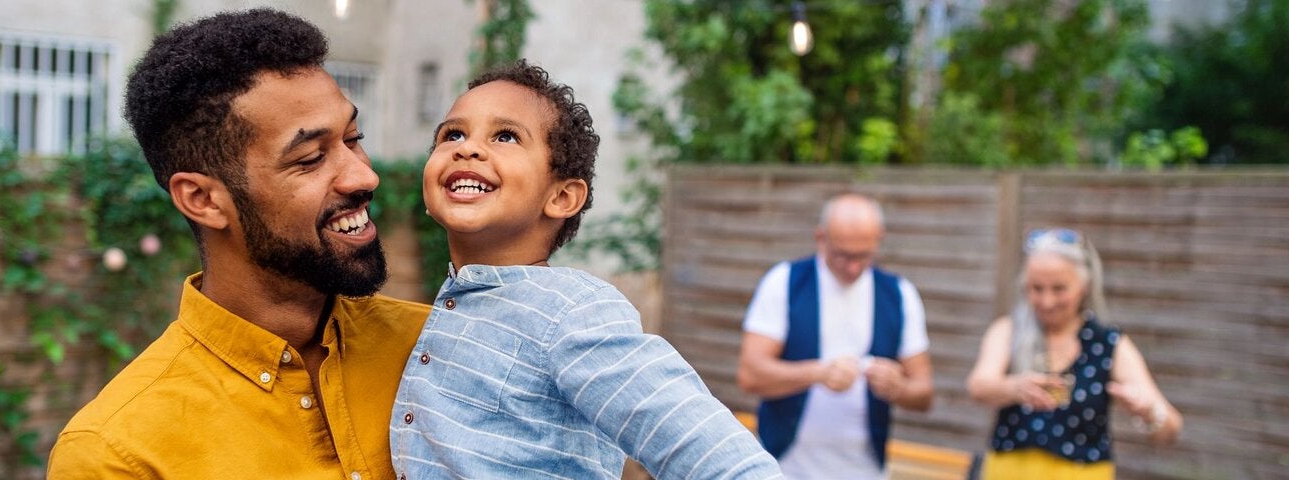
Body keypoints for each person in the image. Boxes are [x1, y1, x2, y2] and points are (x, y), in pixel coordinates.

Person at [47, 9, 430, 479]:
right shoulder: (117, 453)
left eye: (354, 138)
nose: (364, 174)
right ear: (203, 199)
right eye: (310, 159)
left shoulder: (436, 346)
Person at [390, 60, 782, 479]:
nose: (467, 148)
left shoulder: (571, 310)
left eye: (505, 136)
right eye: (453, 134)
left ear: (561, 197)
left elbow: (705, 447)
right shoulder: (455, 304)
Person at [737, 193, 935, 479]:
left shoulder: (900, 294)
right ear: (821, 238)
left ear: (879, 239)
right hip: (782, 467)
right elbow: (750, 375)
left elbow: (924, 394)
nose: (852, 266)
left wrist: (899, 388)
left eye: (862, 255)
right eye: (843, 254)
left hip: (866, 470)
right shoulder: (783, 282)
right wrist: (817, 373)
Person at [966, 228, 1182, 479]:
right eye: (1037, 288)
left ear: (1085, 285)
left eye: (1059, 289)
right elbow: (978, 386)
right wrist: (1013, 388)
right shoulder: (1009, 330)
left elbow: (1171, 429)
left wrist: (1147, 411)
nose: (1047, 301)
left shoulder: (1109, 343)